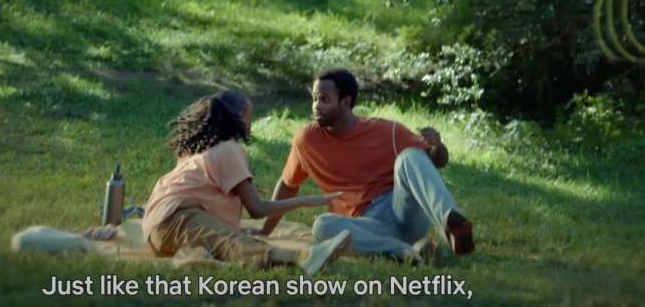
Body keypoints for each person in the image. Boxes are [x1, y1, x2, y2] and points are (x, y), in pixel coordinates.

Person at [258, 69, 474, 262]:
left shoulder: (388, 131)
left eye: (324, 99)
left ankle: (452, 224)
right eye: (314, 99)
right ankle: (408, 251)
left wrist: (437, 145)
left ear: (345, 101)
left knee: (410, 156)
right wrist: (265, 232)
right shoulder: (306, 141)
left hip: (403, 212)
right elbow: (288, 185)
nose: (316, 106)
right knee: (322, 226)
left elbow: (437, 161)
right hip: (364, 227)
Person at [142, 90, 351, 274]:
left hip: (156, 231)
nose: (251, 123)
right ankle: (304, 256)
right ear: (241, 115)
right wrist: (307, 201)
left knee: (215, 245)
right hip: (175, 219)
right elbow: (256, 209)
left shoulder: (198, 149)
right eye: (251, 115)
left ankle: (194, 260)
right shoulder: (229, 149)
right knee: (234, 242)